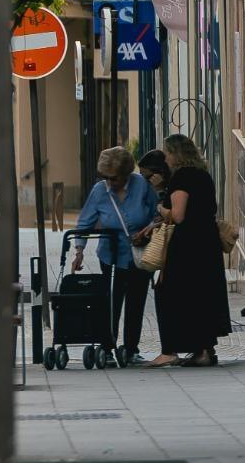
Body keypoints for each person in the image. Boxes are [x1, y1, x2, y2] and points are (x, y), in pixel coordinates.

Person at [147, 133, 233, 368]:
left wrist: (160, 206)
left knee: (168, 293)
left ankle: (170, 350)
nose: (165, 157)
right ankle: (204, 350)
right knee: (202, 296)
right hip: (206, 244)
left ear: (176, 154)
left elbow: (178, 215)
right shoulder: (203, 175)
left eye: (167, 152)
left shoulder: (182, 177)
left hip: (186, 247)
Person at [70, 147, 159, 364]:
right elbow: (85, 222)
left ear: (126, 173)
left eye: (114, 178)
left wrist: (146, 230)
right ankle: (107, 348)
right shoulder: (99, 191)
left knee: (136, 302)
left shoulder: (141, 186)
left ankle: (130, 349)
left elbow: (158, 214)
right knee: (111, 302)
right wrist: (79, 251)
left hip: (140, 254)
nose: (109, 182)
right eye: (105, 178)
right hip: (111, 254)